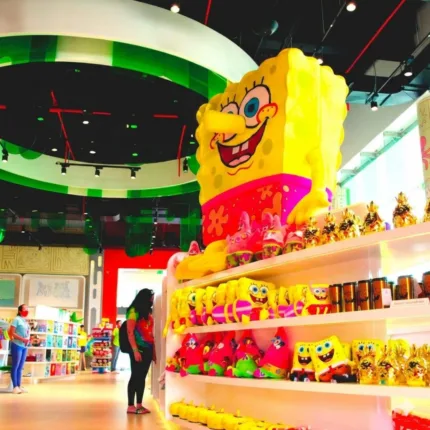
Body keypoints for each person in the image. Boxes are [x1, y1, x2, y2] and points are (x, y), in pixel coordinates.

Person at [126, 289, 156, 415]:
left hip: (148, 349)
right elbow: (130, 332)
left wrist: (153, 351)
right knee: (135, 376)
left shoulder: (147, 312)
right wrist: (135, 351)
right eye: (151, 298)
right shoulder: (133, 312)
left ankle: (139, 404)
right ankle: (130, 405)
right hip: (138, 349)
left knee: (142, 377)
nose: (152, 301)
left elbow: (150, 334)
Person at [9, 304, 30, 394]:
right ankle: (15, 387)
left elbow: (26, 332)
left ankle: (19, 386)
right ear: (20, 311)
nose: (27, 311)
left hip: (25, 346)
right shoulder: (16, 319)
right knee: (16, 365)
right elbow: (12, 333)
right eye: (25, 309)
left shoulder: (25, 321)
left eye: (27, 309)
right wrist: (22, 339)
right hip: (17, 345)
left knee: (21, 367)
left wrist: (27, 339)